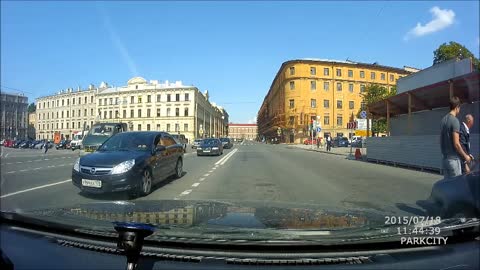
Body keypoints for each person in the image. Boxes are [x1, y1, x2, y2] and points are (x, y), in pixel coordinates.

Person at [440, 97, 471, 178]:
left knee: (448, 186)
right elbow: (457, 144)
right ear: (457, 107)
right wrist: (465, 156)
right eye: (459, 108)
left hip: (445, 160)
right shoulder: (455, 121)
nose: (459, 110)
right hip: (453, 160)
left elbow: (440, 140)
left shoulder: (443, 120)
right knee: (456, 186)